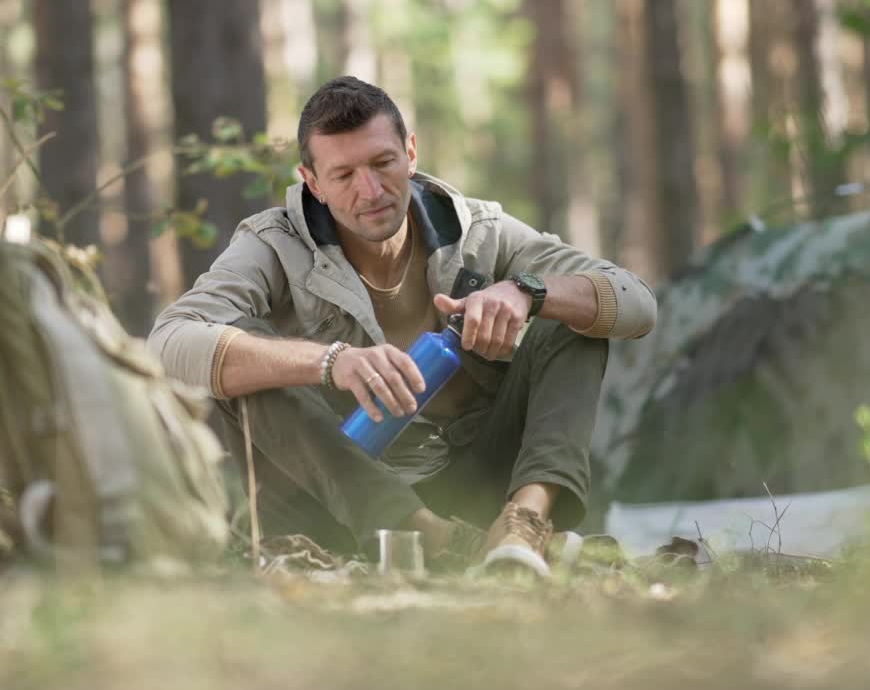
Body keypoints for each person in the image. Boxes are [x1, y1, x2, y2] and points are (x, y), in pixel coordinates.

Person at [149, 76, 656, 576]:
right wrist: (330, 362)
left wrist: (527, 291)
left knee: (569, 314)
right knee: (244, 360)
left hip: (474, 484)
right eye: (343, 175)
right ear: (313, 182)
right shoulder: (272, 245)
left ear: (410, 153)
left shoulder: (477, 230)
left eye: (383, 163)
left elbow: (637, 302)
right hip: (333, 503)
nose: (370, 191)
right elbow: (169, 344)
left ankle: (524, 525)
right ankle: (437, 540)